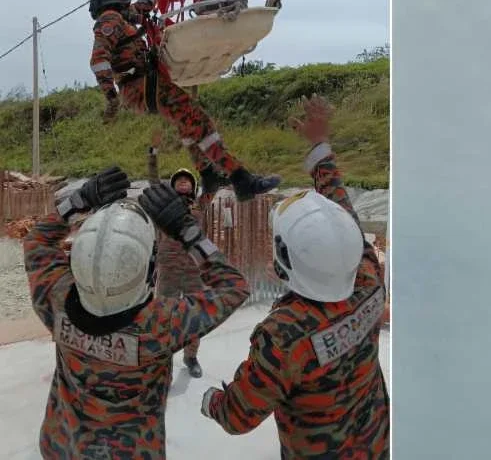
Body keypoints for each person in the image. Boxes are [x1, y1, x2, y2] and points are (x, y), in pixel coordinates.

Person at [200, 94, 389, 459]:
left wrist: (211, 402)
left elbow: (238, 416)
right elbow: (344, 216)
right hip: (376, 445)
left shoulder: (284, 335)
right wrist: (320, 149)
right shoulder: (367, 277)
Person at [22, 166, 249, 458]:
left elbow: (36, 241)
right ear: (148, 269)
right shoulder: (161, 324)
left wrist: (77, 202)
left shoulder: (56, 299)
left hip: (61, 445)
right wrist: (188, 232)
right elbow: (234, 287)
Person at [88, 0, 280, 202]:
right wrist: (110, 98)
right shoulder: (109, 20)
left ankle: (210, 173)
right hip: (141, 86)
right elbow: (98, 60)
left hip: (146, 86)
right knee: (198, 121)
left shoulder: (125, 16)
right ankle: (241, 179)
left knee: (190, 125)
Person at [147, 128, 225, 378]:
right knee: (163, 317)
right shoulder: (164, 206)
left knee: (194, 316)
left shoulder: (200, 205)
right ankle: (162, 359)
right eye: (178, 180)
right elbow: (152, 181)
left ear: (192, 187)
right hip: (168, 272)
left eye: (187, 180)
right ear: (173, 186)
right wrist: (153, 151)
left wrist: (206, 149)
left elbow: (211, 181)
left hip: (193, 271)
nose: (183, 182)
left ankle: (191, 357)